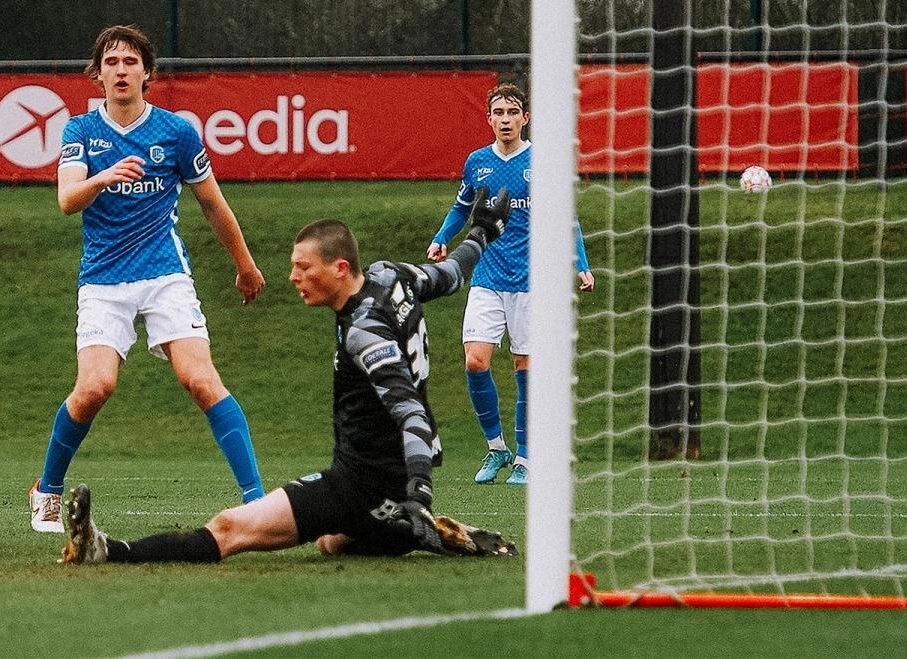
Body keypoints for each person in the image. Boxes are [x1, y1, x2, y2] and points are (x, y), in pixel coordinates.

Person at [58, 203, 518, 565]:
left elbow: (411, 414)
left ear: (340, 268)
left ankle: (108, 550)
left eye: (304, 267)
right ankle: (403, 528)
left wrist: (419, 494)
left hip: (358, 483)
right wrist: (482, 230)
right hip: (385, 484)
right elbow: (452, 274)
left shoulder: (364, 332)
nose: (294, 277)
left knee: (228, 529)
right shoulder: (390, 275)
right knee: (331, 543)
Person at [30, 24, 266, 533]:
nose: (121, 70)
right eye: (111, 62)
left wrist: (244, 265)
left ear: (147, 74)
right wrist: (103, 176)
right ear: (97, 76)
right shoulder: (79, 132)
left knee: (200, 379)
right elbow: (67, 201)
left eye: (130, 62)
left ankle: (257, 499)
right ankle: (46, 489)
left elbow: (213, 204)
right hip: (103, 279)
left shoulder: (177, 132)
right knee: (95, 387)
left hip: (165, 274)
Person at [426, 83, 595, 486]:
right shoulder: (477, 162)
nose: (505, 119)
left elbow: (566, 218)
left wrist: (581, 265)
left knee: (526, 368)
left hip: (531, 282)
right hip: (486, 276)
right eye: (498, 113)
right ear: (489, 119)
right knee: (475, 361)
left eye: (512, 112)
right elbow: (462, 207)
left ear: (525, 118)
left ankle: (525, 458)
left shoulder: (541, 162)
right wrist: (441, 238)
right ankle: (496, 448)